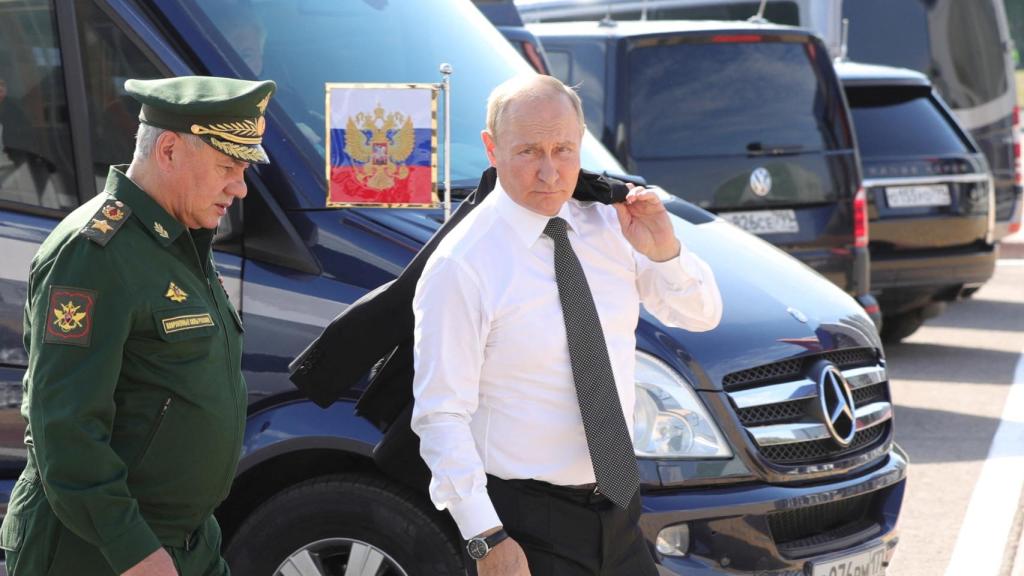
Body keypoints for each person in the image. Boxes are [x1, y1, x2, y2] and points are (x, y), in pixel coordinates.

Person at [410, 74, 723, 576]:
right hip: (525, 523)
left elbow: (701, 315)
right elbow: (439, 414)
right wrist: (485, 538)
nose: (550, 172)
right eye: (529, 151)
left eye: (564, 149)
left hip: (619, 507)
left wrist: (666, 250)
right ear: (492, 148)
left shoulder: (609, 222)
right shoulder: (463, 264)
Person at [0, 75, 275, 576]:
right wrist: (134, 551)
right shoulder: (93, 253)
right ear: (169, 149)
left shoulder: (180, 239)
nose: (240, 187)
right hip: (98, 552)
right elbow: (64, 426)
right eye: (228, 167)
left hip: (184, 542)